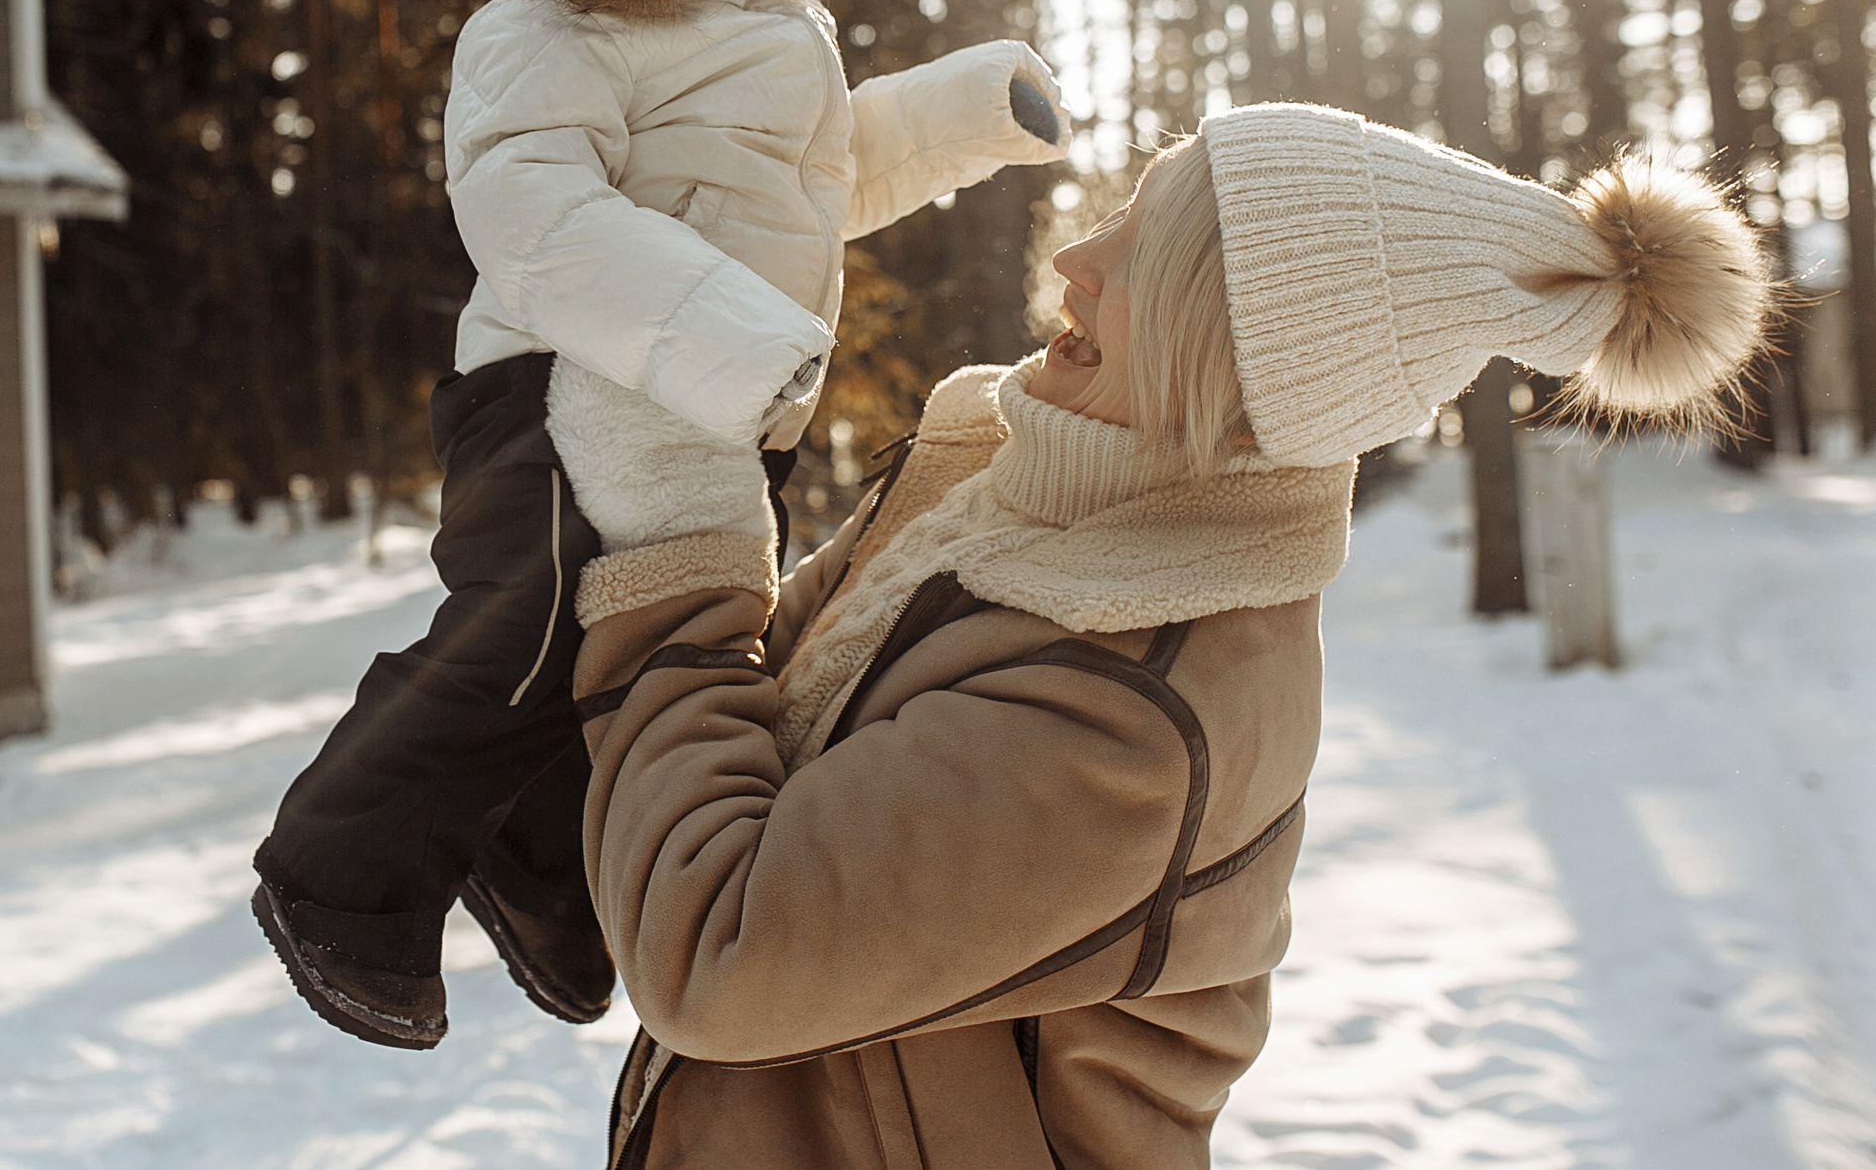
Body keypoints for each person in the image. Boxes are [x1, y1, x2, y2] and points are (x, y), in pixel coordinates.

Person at [560, 104, 1772, 1169]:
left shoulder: (1132, 703)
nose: (1074, 257)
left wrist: (679, 561)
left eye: (1148, 255)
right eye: (1120, 213)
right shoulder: (1008, 485)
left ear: (1246, 379)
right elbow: (746, 728)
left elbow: (718, 949)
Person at [251, 0, 1070, 1051]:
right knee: (535, 623)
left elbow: (831, 177)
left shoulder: (781, 37)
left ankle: (550, 873)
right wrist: (730, 344)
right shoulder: (546, 33)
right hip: (562, 396)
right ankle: (339, 872)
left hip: (713, 406)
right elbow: (535, 216)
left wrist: (970, 112)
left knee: (646, 648)